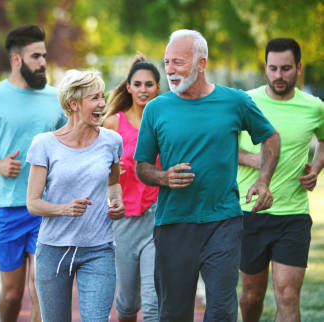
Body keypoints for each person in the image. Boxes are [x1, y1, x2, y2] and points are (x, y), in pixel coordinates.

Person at [133, 29, 281, 322]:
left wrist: (263, 180)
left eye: (178, 62)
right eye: (166, 63)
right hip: (173, 223)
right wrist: (163, 177)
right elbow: (143, 167)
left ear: (201, 63)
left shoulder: (234, 101)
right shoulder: (155, 109)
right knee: (173, 313)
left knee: (222, 312)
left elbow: (271, 137)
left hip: (223, 221)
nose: (170, 70)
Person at [0, 25, 66, 322]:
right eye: (35, 56)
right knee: (12, 294)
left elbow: (73, 141)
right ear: (16, 60)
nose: (43, 62)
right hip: (5, 208)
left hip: (45, 208)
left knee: (41, 289)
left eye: (44, 55)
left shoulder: (56, 99)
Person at [26, 69, 125, 321]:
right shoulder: (44, 144)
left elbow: (114, 184)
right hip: (53, 250)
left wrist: (117, 202)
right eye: (94, 98)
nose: (102, 104)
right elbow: (33, 203)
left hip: (99, 249)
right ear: (74, 104)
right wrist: (64, 209)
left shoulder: (111, 141)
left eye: (103, 97)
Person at [237, 38, 324, 322]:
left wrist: (316, 169)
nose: (278, 75)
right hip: (249, 212)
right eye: (272, 68)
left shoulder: (314, 107)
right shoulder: (245, 102)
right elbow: (222, 146)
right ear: (265, 67)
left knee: (287, 295)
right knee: (251, 297)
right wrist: (254, 160)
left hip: (293, 215)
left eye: (286, 69)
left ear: (299, 67)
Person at [102, 55, 160, 322]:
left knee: (152, 301)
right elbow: (97, 166)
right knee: (126, 303)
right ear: (128, 87)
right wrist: (110, 172)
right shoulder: (113, 123)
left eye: (149, 84)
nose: (143, 90)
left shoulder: (163, 121)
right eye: (137, 84)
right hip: (123, 221)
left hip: (156, 217)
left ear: (158, 87)